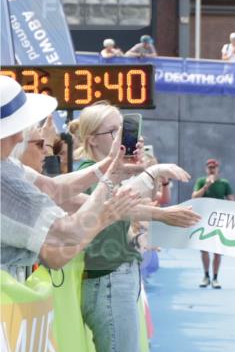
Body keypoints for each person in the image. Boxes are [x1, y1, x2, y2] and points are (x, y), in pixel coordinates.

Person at [72, 102, 200, 352]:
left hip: (119, 279)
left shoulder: (103, 173)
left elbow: (126, 203)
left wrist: (149, 175)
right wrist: (154, 176)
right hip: (109, 283)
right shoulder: (88, 174)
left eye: (126, 131)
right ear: (91, 139)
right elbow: (118, 205)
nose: (126, 138)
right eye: (113, 132)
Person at [0, 76, 140, 279]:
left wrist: (110, 163)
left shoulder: (7, 167)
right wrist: (111, 178)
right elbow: (69, 233)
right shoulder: (5, 179)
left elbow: (53, 189)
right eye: (16, 128)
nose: (21, 137)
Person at [191, 158, 235, 288]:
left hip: (218, 221)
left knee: (217, 250)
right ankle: (206, 276)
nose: (212, 169)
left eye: (214, 167)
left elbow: (232, 200)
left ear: (217, 169)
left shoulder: (224, 183)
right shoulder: (201, 181)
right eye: (209, 167)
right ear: (206, 169)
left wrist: (225, 207)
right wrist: (206, 186)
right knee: (204, 250)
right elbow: (194, 197)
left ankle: (215, 278)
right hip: (203, 220)